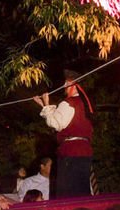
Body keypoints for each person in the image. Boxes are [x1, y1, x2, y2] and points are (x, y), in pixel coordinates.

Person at [34, 69, 93, 197]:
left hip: (71, 153)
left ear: (72, 86)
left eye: (66, 84)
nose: (64, 87)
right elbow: (60, 118)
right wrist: (44, 106)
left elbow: (56, 123)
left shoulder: (69, 103)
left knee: (68, 192)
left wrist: (47, 105)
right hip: (84, 152)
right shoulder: (85, 105)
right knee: (81, 190)